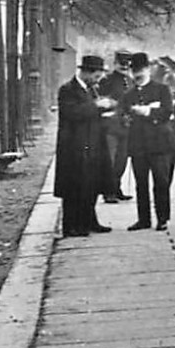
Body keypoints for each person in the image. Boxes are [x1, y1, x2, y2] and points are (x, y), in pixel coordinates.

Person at [55, 55, 118, 238]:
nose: (97, 80)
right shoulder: (68, 90)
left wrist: (107, 109)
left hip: (93, 143)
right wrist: (97, 106)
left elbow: (91, 112)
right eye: (96, 76)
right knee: (74, 187)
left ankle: (89, 220)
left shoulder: (91, 90)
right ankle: (72, 226)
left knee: (91, 184)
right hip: (74, 146)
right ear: (87, 73)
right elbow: (73, 113)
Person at [121, 54, 175, 231]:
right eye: (134, 71)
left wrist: (147, 112)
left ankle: (162, 218)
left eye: (140, 70)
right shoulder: (128, 95)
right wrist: (126, 118)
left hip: (160, 144)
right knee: (141, 184)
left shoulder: (162, 89)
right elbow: (122, 115)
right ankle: (143, 219)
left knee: (161, 181)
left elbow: (167, 112)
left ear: (148, 69)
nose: (137, 74)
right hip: (139, 144)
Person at [96, 51, 134, 203]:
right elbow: (99, 100)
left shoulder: (131, 81)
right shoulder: (107, 80)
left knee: (121, 160)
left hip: (125, 126)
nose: (125, 66)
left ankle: (117, 188)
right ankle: (108, 191)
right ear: (115, 63)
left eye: (127, 63)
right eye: (122, 63)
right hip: (110, 126)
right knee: (110, 160)